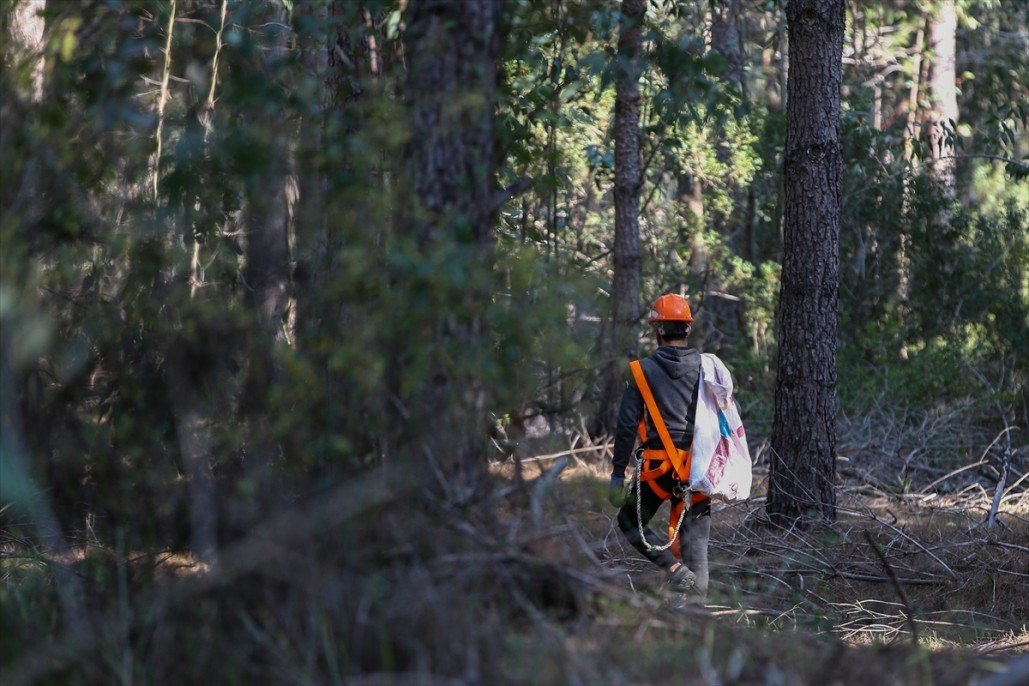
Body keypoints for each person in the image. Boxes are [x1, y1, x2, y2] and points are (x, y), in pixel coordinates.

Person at [608, 293, 713, 596]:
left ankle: (673, 569)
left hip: (658, 469)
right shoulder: (708, 369)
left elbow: (627, 426)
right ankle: (696, 615)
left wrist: (617, 474)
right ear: (688, 329)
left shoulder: (640, 371)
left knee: (629, 520)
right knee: (697, 548)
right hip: (697, 468)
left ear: (657, 330)